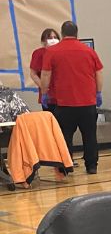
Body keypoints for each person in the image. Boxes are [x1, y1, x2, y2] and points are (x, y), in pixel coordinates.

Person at [41, 21, 103, 174]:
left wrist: (44, 92)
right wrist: (98, 92)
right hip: (87, 102)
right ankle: (91, 166)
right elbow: (98, 73)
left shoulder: (53, 52)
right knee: (89, 135)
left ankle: (66, 166)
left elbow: (46, 74)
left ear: (62, 34)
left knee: (65, 135)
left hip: (65, 103)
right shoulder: (89, 51)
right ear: (77, 33)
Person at [29, 28, 60, 113]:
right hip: (48, 95)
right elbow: (33, 73)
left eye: (55, 37)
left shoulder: (61, 52)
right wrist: (43, 88)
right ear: (43, 41)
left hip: (63, 95)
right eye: (50, 38)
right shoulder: (38, 53)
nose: (53, 40)